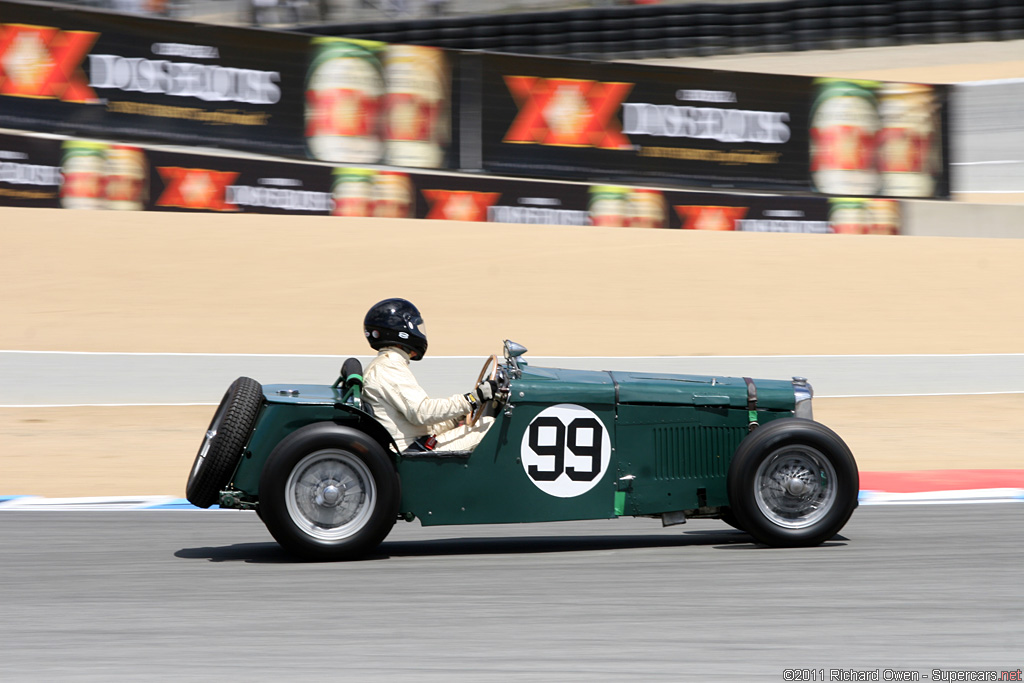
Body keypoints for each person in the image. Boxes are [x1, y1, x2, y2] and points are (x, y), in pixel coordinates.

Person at [362, 298, 500, 453]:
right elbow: (422, 413)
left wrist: (460, 413)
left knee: (475, 420)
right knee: (492, 426)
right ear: (402, 332)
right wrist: (472, 399)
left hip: (413, 437)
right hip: (411, 449)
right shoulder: (389, 367)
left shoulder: (384, 364)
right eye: (415, 327)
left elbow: (418, 420)